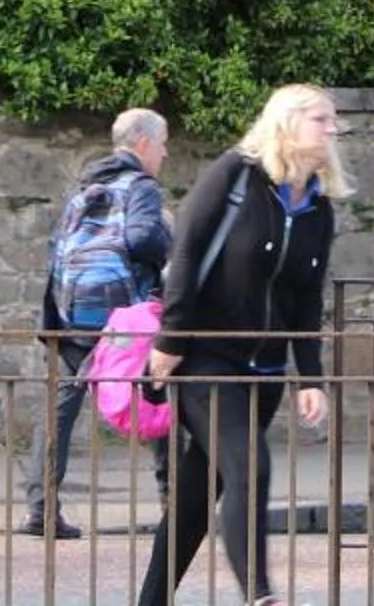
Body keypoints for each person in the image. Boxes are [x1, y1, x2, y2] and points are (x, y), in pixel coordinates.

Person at [134, 85, 348, 606]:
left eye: (334, 120)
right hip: (206, 358)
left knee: (198, 492)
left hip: (265, 369)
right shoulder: (236, 176)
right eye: (321, 118)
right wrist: (171, 339)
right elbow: (185, 253)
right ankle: (260, 594)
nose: (333, 129)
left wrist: (311, 377)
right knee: (251, 466)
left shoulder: (317, 207)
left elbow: (305, 299)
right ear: (288, 122)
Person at [20, 107, 172, 540]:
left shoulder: (85, 185)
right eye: (162, 143)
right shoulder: (140, 185)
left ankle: (41, 510)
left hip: (72, 314)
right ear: (142, 142)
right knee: (156, 392)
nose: (164, 153)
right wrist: (171, 240)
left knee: (60, 408)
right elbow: (143, 239)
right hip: (124, 318)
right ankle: (173, 505)